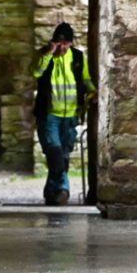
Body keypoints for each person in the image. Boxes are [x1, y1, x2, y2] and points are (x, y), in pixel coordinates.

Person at [31, 22, 95, 206]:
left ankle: (52, 191)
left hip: (71, 115)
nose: (63, 48)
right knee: (54, 152)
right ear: (53, 42)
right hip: (50, 114)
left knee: (64, 155)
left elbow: (85, 79)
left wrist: (93, 92)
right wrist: (48, 54)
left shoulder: (77, 57)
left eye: (66, 44)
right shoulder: (44, 55)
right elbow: (35, 72)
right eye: (59, 44)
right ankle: (64, 189)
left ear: (71, 43)